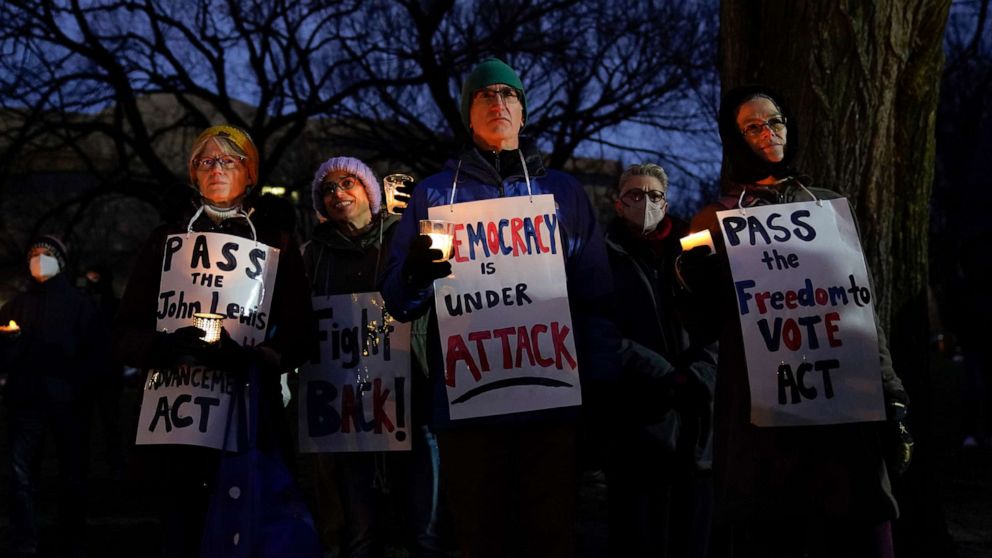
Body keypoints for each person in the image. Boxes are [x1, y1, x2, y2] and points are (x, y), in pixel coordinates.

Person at [379, 57, 620, 558]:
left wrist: (599, 392)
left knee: (550, 535)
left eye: (509, 94)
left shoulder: (563, 193)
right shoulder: (432, 196)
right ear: (469, 115)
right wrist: (415, 276)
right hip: (468, 405)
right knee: (478, 535)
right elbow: (398, 302)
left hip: (551, 403)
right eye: (485, 95)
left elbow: (595, 297)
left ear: (524, 113)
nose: (498, 102)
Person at [682, 85, 913, 557]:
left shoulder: (828, 208)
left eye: (776, 120)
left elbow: (858, 308)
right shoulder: (717, 219)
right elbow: (703, 326)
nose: (769, 132)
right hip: (765, 428)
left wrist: (891, 393)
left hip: (842, 417)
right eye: (753, 126)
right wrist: (694, 277)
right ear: (735, 138)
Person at [113, 125, 315, 557]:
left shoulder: (274, 241)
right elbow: (124, 329)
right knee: (182, 529)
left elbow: (301, 331)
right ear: (193, 175)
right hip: (177, 421)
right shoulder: (166, 241)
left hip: (247, 415)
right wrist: (159, 346)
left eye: (230, 160)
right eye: (206, 161)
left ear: (250, 175)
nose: (217, 168)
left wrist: (256, 358)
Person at [303, 156, 447, 557]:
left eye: (347, 182)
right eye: (327, 189)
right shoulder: (312, 256)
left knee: (424, 530)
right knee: (359, 533)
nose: (337, 193)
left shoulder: (404, 240)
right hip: (346, 409)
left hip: (410, 395)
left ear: (369, 190)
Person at [603, 163, 717, 558]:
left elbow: (724, 321)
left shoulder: (696, 251)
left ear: (666, 203)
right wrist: (663, 374)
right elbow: (598, 331)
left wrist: (700, 375)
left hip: (697, 421)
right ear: (618, 204)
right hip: (635, 421)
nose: (645, 202)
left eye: (654, 196)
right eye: (635, 194)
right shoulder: (601, 257)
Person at [0, 235, 104, 558]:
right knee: (20, 473)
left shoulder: (80, 305)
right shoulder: (17, 305)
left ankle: (71, 537)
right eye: (33, 253)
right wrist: (10, 344)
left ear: (60, 260)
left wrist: (80, 387)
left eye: (45, 253)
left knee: (71, 472)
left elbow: (96, 353)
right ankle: (25, 537)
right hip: (26, 401)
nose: (38, 258)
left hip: (68, 402)